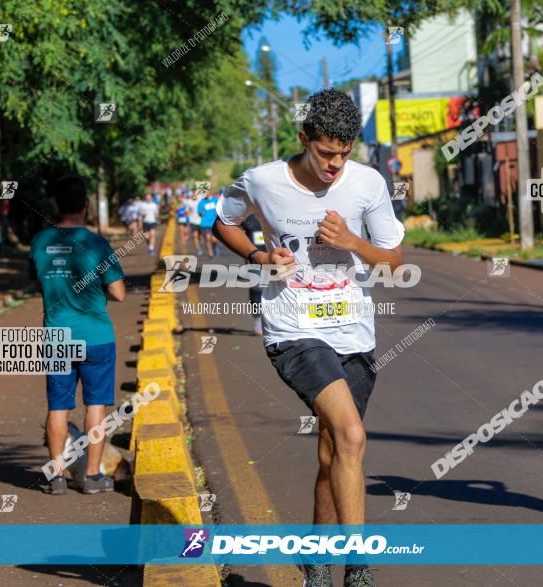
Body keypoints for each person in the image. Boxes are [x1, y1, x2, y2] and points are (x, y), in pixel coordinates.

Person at [213, 88, 404, 587]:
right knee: (352, 435)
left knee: (333, 449)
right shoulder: (263, 181)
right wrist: (258, 258)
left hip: (353, 333)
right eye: (325, 153)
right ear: (303, 139)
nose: (335, 165)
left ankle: (315, 563)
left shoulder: (367, 183)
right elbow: (224, 223)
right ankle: (356, 570)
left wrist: (352, 242)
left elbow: (394, 260)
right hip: (293, 328)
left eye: (344, 153)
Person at [29, 174, 127, 495]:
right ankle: (93, 477)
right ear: (86, 204)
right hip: (96, 336)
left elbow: (38, 282)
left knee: (58, 406)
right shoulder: (97, 244)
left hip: (58, 336)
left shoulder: (40, 241)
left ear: (57, 205)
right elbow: (119, 293)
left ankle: (56, 477)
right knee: (96, 405)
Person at [240, 214, 267, 335]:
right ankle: (258, 319)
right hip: (256, 259)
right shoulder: (248, 216)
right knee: (256, 290)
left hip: (277, 258)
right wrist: (247, 254)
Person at [197, 190, 220, 259]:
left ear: (210, 192)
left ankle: (215, 246)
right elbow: (199, 213)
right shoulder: (201, 202)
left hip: (214, 223)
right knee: (207, 238)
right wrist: (201, 213)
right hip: (205, 224)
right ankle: (210, 254)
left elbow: (219, 209)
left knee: (214, 240)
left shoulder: (215, 200)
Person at [187, 190, 204, 256]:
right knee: (195, 236)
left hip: (200, 221)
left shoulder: (200, 201)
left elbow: (203, 210)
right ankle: (198, 249)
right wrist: (187, 221)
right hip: (193, 221)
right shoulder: (189, 202)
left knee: (200, 236)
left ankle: (201, 238)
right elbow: (188, 211)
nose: (194, 196)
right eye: (193, 194)